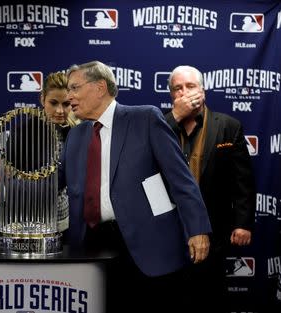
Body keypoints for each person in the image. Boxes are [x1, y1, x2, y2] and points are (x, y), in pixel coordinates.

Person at [59, 60, 212, 312]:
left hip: (146, 244)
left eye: (75, 88)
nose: (69, 96)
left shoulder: (145, 118)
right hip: (91, 244)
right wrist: (12, 187)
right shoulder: (75, 135)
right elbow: (55, 182)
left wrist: (198, 229)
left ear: (99, 87)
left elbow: (180, 180)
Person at [165, 65, 256, 313]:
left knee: (210, 296)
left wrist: (242, 223)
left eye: (191, 86)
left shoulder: (228, 126)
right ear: (171, 95)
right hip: (168, 229)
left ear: (203, 90)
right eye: (177, 89)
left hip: (214, 227)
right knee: (170, 295)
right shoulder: (160, 124)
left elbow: (242, 180)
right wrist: (175, 116)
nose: (184, 93)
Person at [40, 71, 79, 232]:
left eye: (66, 104)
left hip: (66, 221)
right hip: (32, 220)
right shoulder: (24, 132)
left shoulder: (76, 131)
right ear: (42, 99)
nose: (60, 111)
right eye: (53, 103)